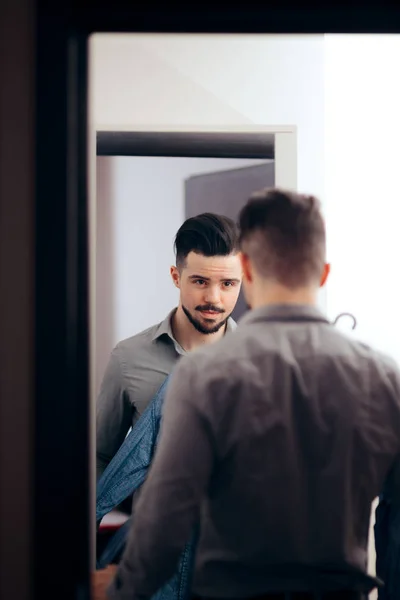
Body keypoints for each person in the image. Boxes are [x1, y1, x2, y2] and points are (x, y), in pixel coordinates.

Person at [102, 188, 400, 600]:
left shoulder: (202, 376)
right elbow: (397, 525)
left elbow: (162, 524)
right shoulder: (385, 380)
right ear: (324, 274)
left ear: (247, 270)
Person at [96, 212, 242, 481]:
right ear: (176, 277)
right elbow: (100, 458)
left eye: (228, 284)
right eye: (200, 281)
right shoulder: (128, 358)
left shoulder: (260, 362)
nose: (213, 298)